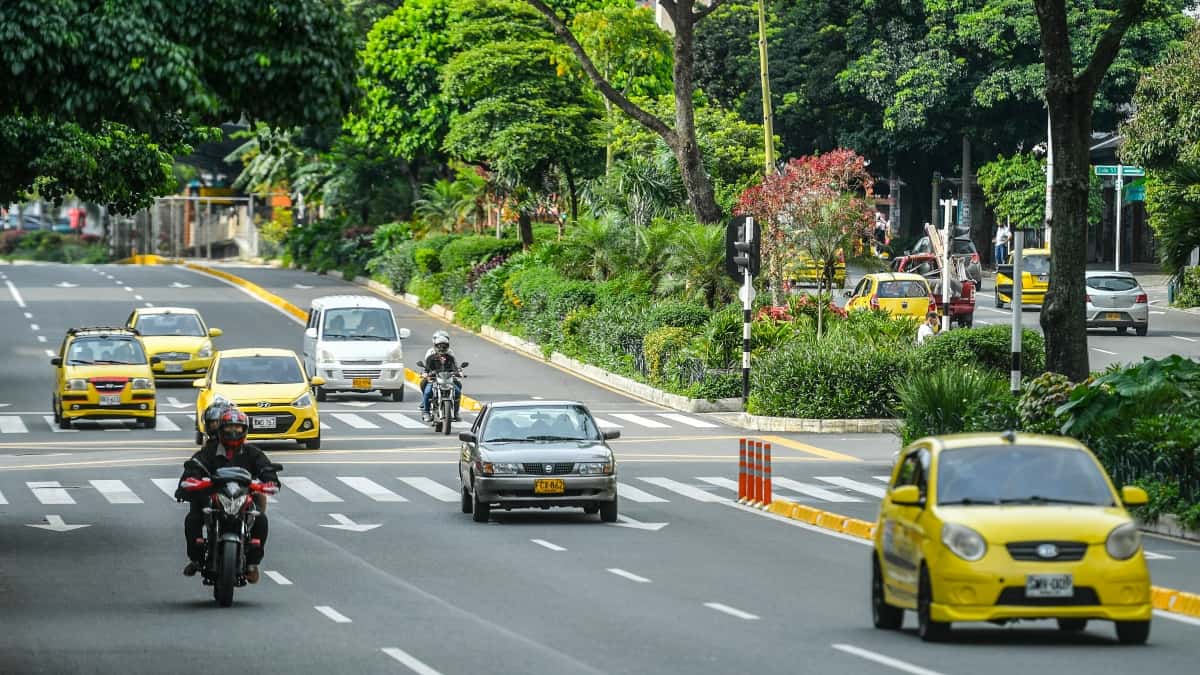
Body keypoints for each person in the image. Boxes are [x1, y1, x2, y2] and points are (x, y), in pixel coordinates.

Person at [176, 407, 278, 584]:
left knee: (261, 520)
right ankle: (196, 559)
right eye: (229, 428)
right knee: (192, 519)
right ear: (220, 430)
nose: (233, 432)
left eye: (238, 428)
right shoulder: (209, 451)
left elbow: (266, 468)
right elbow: (193, 467)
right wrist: (188, 483)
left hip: (243, 498)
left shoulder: (252, 452)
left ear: (245, 430)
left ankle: (253, 564)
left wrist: (270, 481)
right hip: (214, 497)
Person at [420, 330, 462, 422]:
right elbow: (426, 368)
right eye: (439, 346)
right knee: (427, 392)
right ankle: (426, 412)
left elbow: (455, 367)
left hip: (448, 380)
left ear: (447, 346)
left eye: (444, 346)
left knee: (458, 392)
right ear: (435, 346)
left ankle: (456, 413)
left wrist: (458, 372)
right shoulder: (431, 357)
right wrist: (426, 374)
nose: (441, 348)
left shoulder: (450, 357)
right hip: (435, 380)